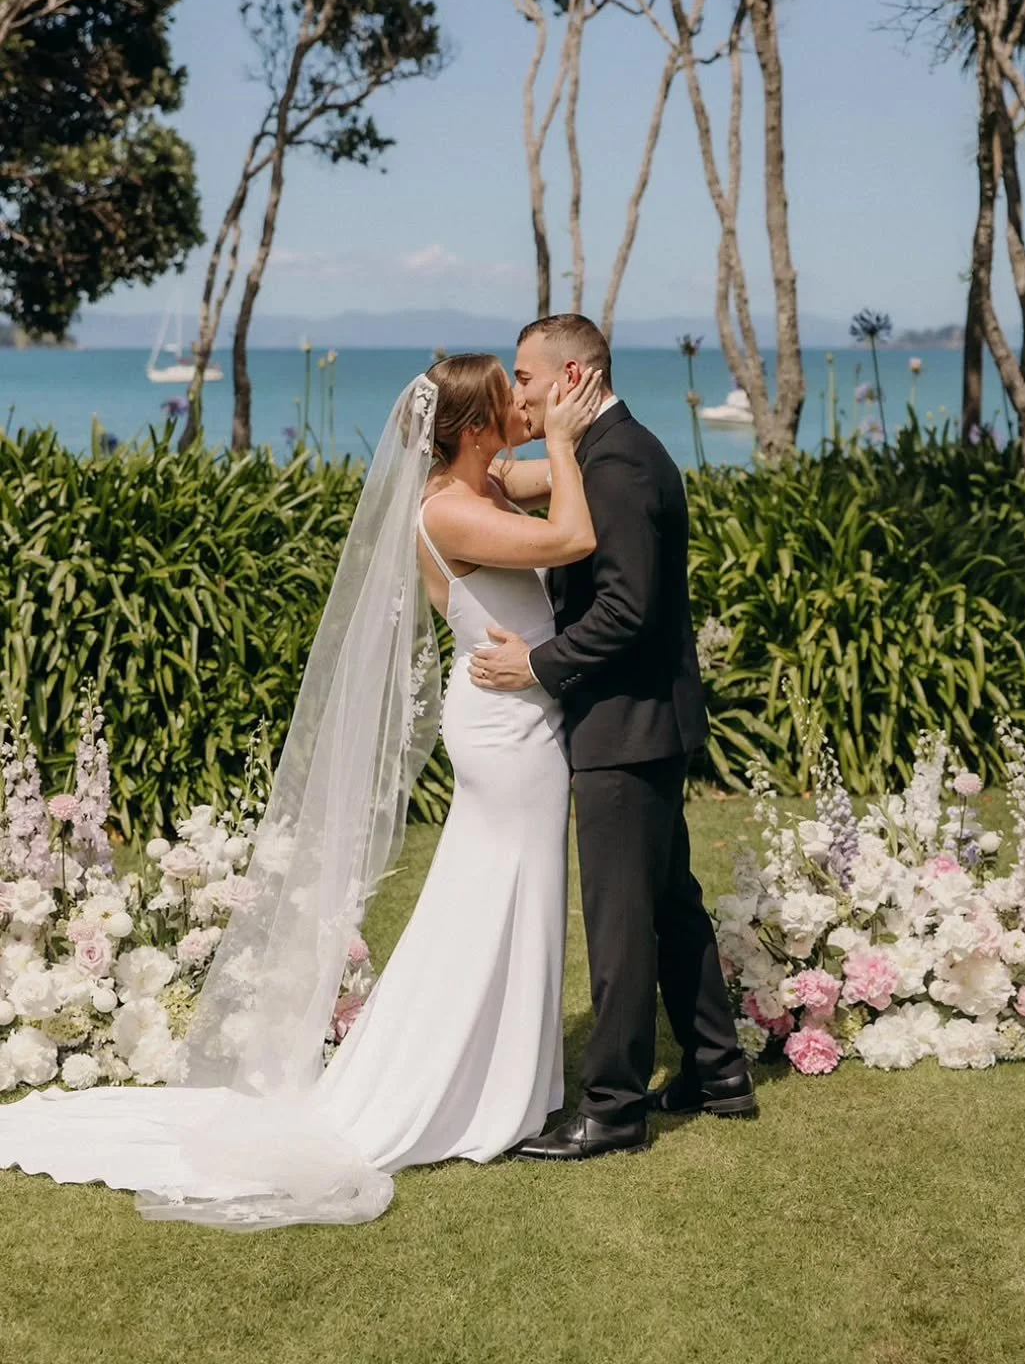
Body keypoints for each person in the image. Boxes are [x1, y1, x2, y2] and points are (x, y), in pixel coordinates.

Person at [0, 355, 603, 1229]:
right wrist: (557, 436)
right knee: (498, 898)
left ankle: (506, 1079)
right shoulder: (452, 509)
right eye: (508, 400)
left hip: (519, 720)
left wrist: (579, 433)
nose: (525, 403)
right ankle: (467, 1091)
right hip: (507, 735)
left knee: (506, 898)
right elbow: (573, 538)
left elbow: (565, 472)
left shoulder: (489, 480)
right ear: (472, 429)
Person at [473, 315, 756, 1161]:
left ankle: (614, 1108)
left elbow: (627, 609)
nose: (516, 393)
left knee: (623, 920)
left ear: (569, 379)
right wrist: (485, 460)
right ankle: (719, 1073)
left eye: (524, 377)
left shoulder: (621, 465)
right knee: (671, 908)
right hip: (645, 721)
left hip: (624, 727)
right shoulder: (605, 449)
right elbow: (528, 489)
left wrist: (540, 663)